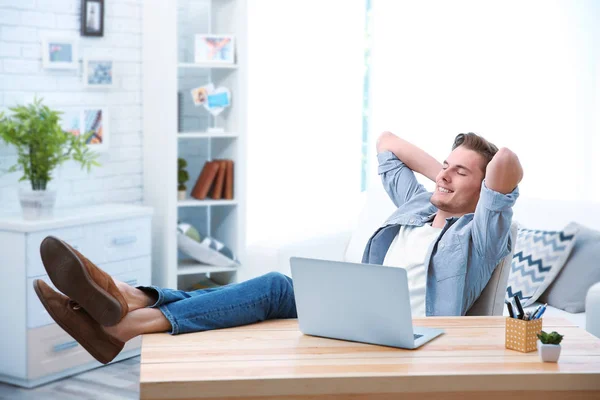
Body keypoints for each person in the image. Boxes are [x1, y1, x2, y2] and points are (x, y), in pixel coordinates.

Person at [33, 131, 523, 364]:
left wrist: (478, 163)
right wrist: (450, 164)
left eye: (459, 172)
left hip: (410, 333)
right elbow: (387, 143)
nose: (442, 174)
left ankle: (125, 315)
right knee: (275, 290)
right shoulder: (416, 204)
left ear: (485, 193)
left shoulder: (480, 235)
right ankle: (128, 301)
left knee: (270, 286)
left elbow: (504, 165)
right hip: (364, 310)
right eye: (442, 164)